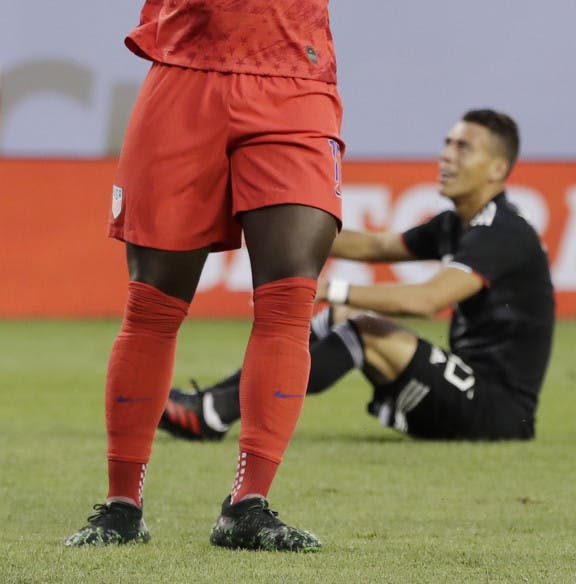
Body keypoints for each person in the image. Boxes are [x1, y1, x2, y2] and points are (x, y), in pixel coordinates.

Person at [64, 0, 438, 552]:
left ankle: (247, 506)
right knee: (154, 305)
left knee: (286, 298)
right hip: (183, 76)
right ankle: (121, 505)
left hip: (293, 86)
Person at [160, 110, 555, 445]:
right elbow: (374, 247)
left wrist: (332, 289)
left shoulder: (505, 232)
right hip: (463, 391)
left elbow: (427, 301)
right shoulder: (456, 223)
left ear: (498, 168)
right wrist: (268, 223)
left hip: (500, 413)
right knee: (336, 318)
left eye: (462, 147)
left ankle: (216, 412)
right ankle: (213, 403)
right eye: (447, 143)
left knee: (360, 327)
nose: (446, 156)